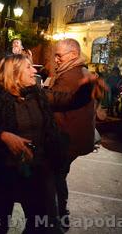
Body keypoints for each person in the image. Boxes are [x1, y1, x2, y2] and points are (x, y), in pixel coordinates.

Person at [0, 54, 62, 233]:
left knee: (38, 224)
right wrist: (3, 136)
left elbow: (64, 99)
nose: (34, 71)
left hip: (36, 170)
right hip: (6, 170)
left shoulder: (38, 94)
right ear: (14, 73)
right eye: (28, 67)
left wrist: (87, 88)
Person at [48, 38, 98, 228]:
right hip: (76, 139)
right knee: (59, 175)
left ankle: (58, 215)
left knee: (54, 177)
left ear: (73, 55)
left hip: (66, 138)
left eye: (59, 55)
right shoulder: (81, 72)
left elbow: (53, 103)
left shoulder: (70, 76)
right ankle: (60, 213)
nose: (56, 59)